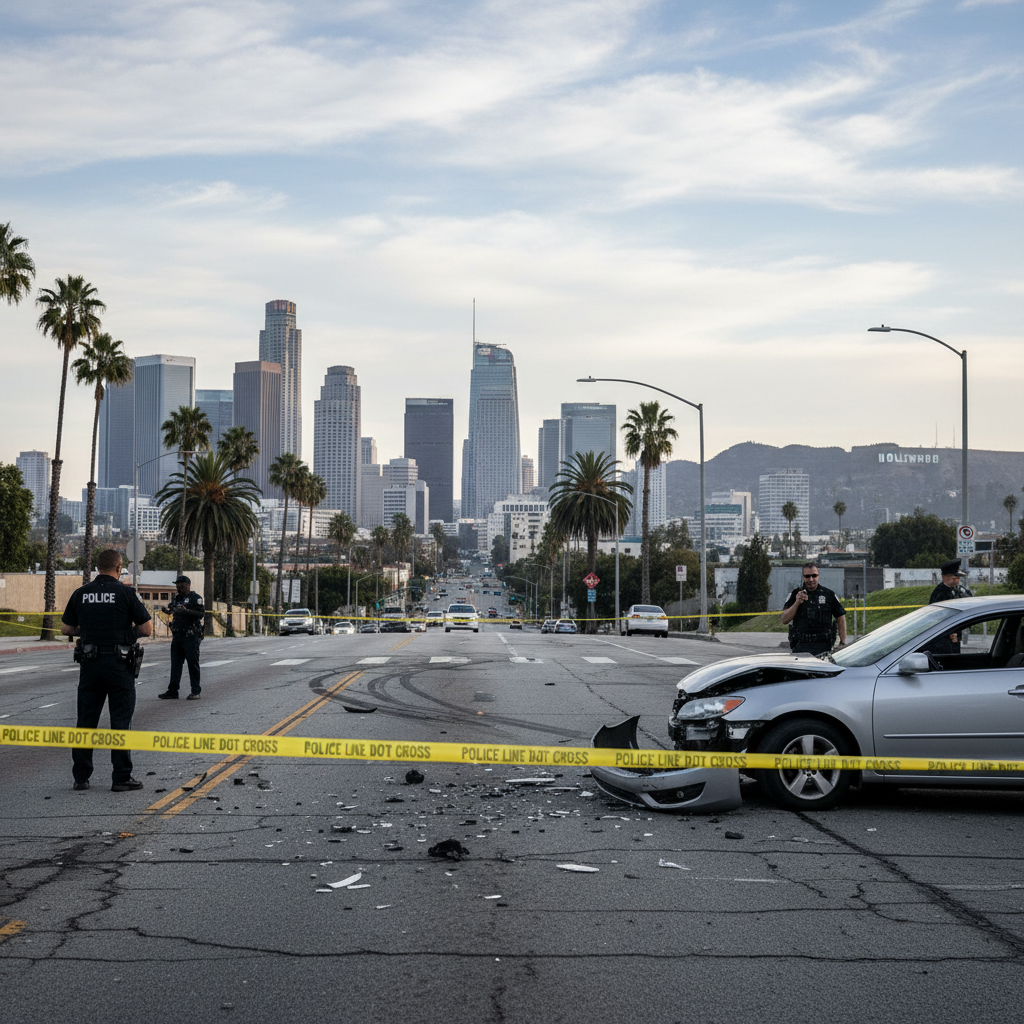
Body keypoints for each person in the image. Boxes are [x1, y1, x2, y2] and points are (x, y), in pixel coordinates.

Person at [60, 548, 152, 792]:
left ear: (97, 567)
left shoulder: (81, 593)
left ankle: (81, 777)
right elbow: (146, 629)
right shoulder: (125, 593)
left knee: (85, 721)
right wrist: (124, 635)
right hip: (119, 665)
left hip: (90, 664)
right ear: (119, 567)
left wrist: (89, 633)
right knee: (121, 722)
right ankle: (121, 777)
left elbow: (66, 629)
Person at [780, 562, 847, 656]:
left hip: (824, 648)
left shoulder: (829, 595)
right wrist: (797, 602)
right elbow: (784, 620)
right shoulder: (795, 594)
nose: (811, 579)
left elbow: (841, 617)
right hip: (800, 648)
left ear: (818, 576)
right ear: (803, 577)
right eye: (807, 576)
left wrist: (842, 643)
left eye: (814, 576)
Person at [158, 575, 205, 700]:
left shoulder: (196, 598)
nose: (179, 587)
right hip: (178, 636)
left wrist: (186, 611)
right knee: (176, 665)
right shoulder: (177, 598)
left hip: (191, 636)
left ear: (188, 585)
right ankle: (173, 690)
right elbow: (173, 610)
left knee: (192, 664)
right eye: (177, 584)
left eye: (181, 585)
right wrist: (167, 611)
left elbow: (201, 614)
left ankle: (196, 691)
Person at [927, 558, 973, 654]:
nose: (957, 581)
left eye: (958, 578)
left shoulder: (960, 590)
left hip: (955, 638)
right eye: (954, 578)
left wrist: (958, 633)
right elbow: (936, 619)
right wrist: (949, 634)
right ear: (945, 577)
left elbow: (970, 608)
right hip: (943, 642)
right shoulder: (939, 593)